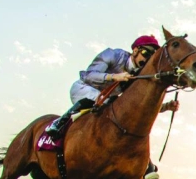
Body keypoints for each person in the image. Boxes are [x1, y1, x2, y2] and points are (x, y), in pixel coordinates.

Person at [45, 34, 180, 138]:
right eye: (145, 53)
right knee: (110, 102)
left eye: (150, 57)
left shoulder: (138, 74)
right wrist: (114, 76)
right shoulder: (113, 54)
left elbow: (137, 105)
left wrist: (166, 107)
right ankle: (59, 123)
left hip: (105, 102)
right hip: (83, 89)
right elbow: (87, 75)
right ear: (135, 50)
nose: (145, 60)